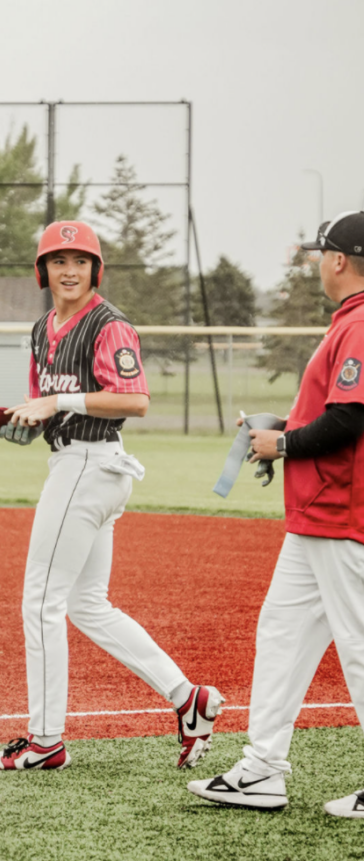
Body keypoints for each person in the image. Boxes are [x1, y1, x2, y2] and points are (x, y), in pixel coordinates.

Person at [0, 221, 224, 772]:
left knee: (40, 602)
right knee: (87, 605)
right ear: (43, 270)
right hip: (79, 463)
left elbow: (134, 400)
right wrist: (27, 416)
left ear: (95, 270)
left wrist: (56, 405)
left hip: (91, 465)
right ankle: (189, 698)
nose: (69, 270)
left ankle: (45, 743)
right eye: (59, 260)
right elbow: (47, 399)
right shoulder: (43, 329)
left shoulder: (110, 325)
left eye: (80, 261)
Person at [188, 211, 364, 818]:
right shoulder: (350, 320)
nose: (318, 262)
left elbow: (350, 419)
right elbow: (335, 413)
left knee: (361, 649)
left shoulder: (363, 321)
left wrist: (285, 444)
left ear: (339, 259)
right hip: (318, 517)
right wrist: (283, 428)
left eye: (322, 253)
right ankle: (263, 769)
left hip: (345, 516)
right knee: (282, 635)